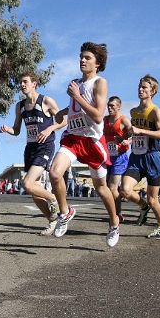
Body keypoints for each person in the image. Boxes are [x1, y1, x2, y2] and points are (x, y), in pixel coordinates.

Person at [48, 42, 119, 247]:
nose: (82, 60)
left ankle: (114, 223)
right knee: (54, 173)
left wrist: (76, 96)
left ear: (97, 64)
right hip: (72, 137)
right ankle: (65, 212)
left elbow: (98, 116)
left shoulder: (99, 83)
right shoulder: (75, 83)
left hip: (92, 142)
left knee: (101, 189)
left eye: (87, 57)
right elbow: (76, 106)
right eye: (81, 56)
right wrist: (64, 111)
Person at [0, 71, 65, 235]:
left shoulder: (46, 101)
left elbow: (63, 120)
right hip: (30, 148)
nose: (22, 85)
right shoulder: (20, 106)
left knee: (27, 183)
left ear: (34, 83)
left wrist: (50, 128)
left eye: (25, 82)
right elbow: (16, 130)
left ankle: (54, 199)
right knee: (33, 190)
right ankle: (52, 220)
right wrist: (8, 129)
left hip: (45, 146)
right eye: (21, 82)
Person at [119, 75, 160, 239]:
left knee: (154, 200)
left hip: (152, 158)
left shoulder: (155, 111)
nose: (140, 90)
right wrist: (123, 138)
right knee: (125, 190)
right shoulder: (133, 111)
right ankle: (143, 206)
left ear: (152, 91)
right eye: (140, 87)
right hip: (136, 157)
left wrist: (141, 131)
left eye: (144, 88)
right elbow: (135, 133)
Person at [103, 96, 132, 222]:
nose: (109, 108)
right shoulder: (105, 119)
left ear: (119, 107)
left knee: (112, 187)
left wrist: (127, 141)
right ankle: (114, 211)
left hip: (120, 157)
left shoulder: (123, 121)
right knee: (105, 186)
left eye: (112, 106)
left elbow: (134, 134)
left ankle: (118, 213)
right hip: (108, 156)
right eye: (108, 106)